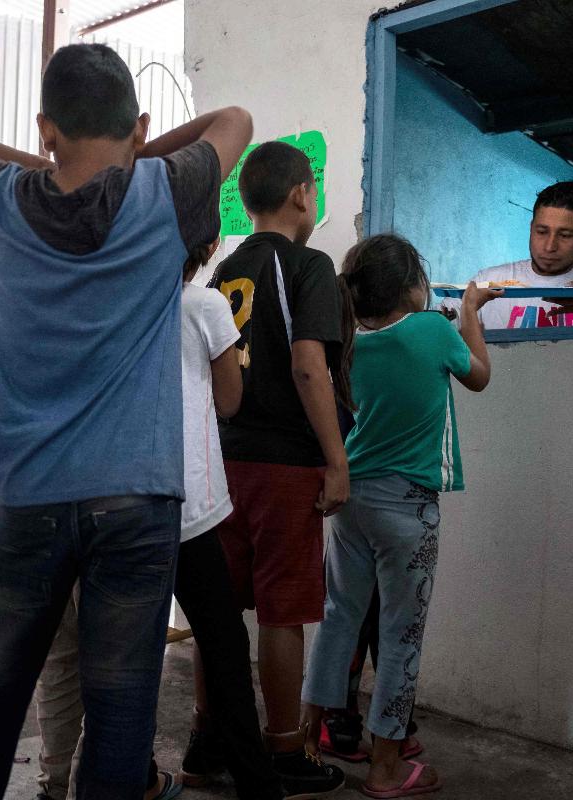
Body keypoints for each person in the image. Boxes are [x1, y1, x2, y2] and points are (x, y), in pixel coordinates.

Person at [0, 42, 251, 800]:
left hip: (29, 493)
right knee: (122, 699)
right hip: (136, 496)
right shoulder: (165, 192)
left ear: (45, 127)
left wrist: (41, 158)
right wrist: (135, 149)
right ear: (137, 125)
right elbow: (233, 119)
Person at [31, 234, 286, 800]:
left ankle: (133, 775)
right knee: (221, 643)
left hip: (116, 502)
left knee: (119, 654)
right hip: (188, 506)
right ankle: (256, 782)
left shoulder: (108, 303)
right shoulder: (204, 305)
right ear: (207, 244)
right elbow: (229, 402)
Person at [300, 234, 499, 797]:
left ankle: (306, 744)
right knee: (401, 633)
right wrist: (468, 312)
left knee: (339, 618)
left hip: (350, 498)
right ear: (413, 287)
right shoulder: (433, 330)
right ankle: (386, 768)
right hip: (408, 506)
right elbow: (479, 374)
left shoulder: (347, 341)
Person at [197, 140, 348, 796]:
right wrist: (336, 460)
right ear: (301, 194)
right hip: (285, 465)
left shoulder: (225, 269)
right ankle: (285, 749)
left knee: (220, 611)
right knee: (282, 612)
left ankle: (210, 739)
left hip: (222, 460)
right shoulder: (308, 265)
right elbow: (309, 363)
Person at [445, 181, 573, 329]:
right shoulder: (489, 280)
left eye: (565, 235)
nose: (549, 246)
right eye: (541, 232)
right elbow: (446, 315)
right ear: (531, 228)